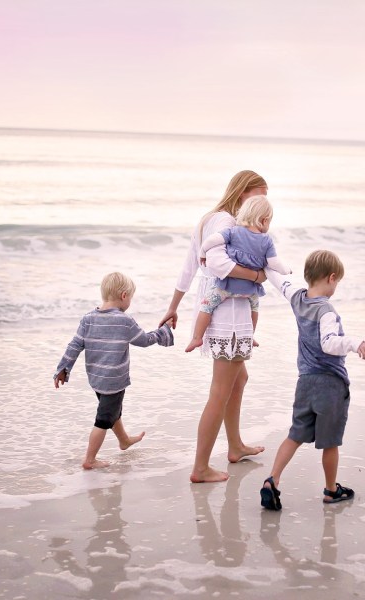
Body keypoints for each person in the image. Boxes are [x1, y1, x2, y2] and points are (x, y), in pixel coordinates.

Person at [159, 170, 269, 483]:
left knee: (239, 378)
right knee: (220, 390)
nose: (263, 202)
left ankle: (235, 446)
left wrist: (173, 307)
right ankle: (200, 468)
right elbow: (218, 265)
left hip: (219, 309)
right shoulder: (228, 223)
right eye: (258, 195)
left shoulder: (211, 218)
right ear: (242, 192)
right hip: (228, 313)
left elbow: (189, 265)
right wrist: (257, 276)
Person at [259, 250, 365, 511]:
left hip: (305, 382)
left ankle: (272, 480)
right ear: (331, 278)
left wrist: (264, 260)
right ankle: (332, 490)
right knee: (330, 442)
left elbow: (279, 282)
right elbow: (329, 343)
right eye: (337, 282)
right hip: (330, 385)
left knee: (295, 435)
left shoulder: (298, 298)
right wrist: (355, 343)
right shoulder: (327, 311)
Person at [54, 272, 174, 470]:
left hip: (96, 378)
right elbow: (144, 340)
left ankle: (124, 440)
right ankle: (90, 459)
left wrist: (63, 369)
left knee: (111, 410)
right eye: (131, 298)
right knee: (103, 419)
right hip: (114, 380)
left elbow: (74, 345)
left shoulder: (88, 319)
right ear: (124, 296)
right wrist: (164, 331)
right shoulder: (124, 321)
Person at [185, 195, 291, 353]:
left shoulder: (233, 232)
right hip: (249, 290)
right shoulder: (266, 241)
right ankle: (250, 336)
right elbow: (274, 263)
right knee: (254, 309)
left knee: (206, 306)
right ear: (264, 220)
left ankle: (197, 338)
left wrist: (202, 252)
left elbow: (213, 240)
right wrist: (286, 270)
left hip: (226, 286)